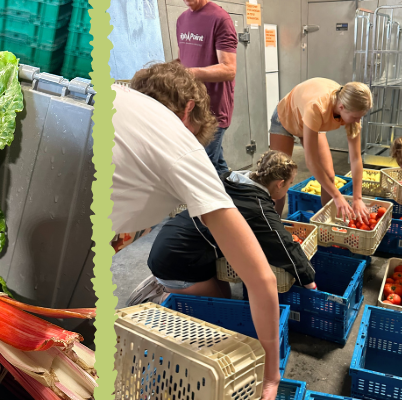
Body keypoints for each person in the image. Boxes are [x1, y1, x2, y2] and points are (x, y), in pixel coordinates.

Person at [112, 61, 280, 400]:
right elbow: (262, 280)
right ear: (189, 108)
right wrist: (270, 377)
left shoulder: (115, 96)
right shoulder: (178, 144)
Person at [141, 150, 317, 305]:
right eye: (290, 183)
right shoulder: (257, 207)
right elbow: (284, 245)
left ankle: (169, 284)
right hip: (176, 262)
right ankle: (162, 297)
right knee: (220, 306)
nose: (289, 187)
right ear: (280, 183)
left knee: (226, 293)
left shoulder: (231, 180)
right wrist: (309, 282)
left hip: (174, 243)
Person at [269, 78, 372, 222]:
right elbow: (311, 162)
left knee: (329, 175)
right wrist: (337, 196)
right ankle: (273, 225)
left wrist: (357, 198)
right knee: (278, 180)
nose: (357, 121)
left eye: (360, 117)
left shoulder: (352, 109)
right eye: (355, 117)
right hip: (287, 118)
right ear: (341, 107)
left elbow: (355, 158)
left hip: (311, 122)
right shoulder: (317, 107)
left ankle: (327, 222)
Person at [176, 0, 238, 175]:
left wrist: (189, 73)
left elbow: (229, 69)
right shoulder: (181, 20)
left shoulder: (220, 19)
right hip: (190, 108)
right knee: (217, 166)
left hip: (212, 111)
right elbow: (183, 61)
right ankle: (239, 198)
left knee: (204, 170)